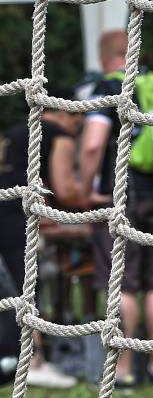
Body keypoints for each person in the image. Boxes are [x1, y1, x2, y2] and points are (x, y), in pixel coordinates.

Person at [79, 30, 153, 390]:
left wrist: (85, 188)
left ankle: (124, 370)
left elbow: (92, 145)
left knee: (121, 281)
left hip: (120, 196)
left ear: (105, 56)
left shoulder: (109, 85)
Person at [0, 89, 85, 389]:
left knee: (10, 290)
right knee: (27, 288)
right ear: (64, 111)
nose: (79, 126)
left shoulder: (12, 132)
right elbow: (65, 189)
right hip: (16, 217)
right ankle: (33, 362)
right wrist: (98, 201)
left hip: (4, 209)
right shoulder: (56, 132)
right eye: (79, 118)